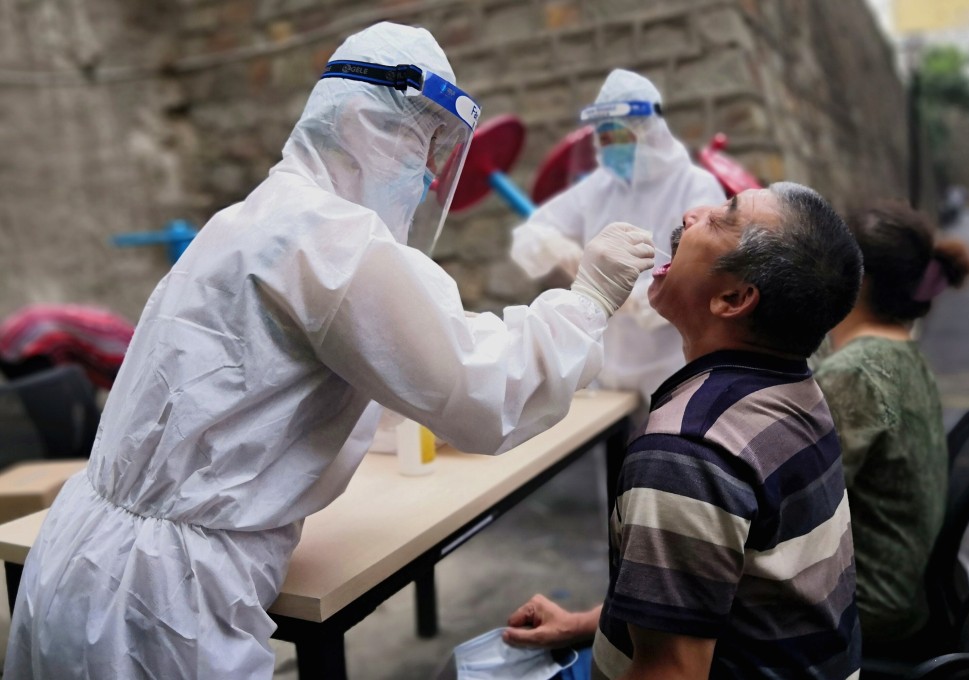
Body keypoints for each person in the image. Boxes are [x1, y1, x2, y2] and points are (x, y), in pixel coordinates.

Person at [4, 22, 656, 679]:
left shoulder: (250, 218)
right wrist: (588, 300)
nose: (427, 177)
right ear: (357, 123)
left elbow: (263, 383)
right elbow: (485, 392)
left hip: (80, 559)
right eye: (420, 143)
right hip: (167, 606)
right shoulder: (331, 236)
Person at [505, 184, 864, 679]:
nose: (693, 213)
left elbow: (672, 672)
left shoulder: (686, 453)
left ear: (733, 298)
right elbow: (718, 586)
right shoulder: (793, 390)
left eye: (720, 220)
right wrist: (590, 626)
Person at [812, 202, 969, 649]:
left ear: (857, 280)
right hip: (903, 589)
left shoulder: (854, 372)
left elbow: (802, 504)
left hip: (867, 602)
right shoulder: (898, 350)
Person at [510, 69, 726, 404]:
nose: (612, 147)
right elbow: (530, 234)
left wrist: (637, 299)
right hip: (608, 377)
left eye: (620, 136)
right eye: (605, 138)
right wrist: (554, 247)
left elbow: (703, 277)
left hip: (676, 371)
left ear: (648, 130)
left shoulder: (695, 185)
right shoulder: (600, 186)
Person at [0, 303, 134, 390]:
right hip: (30, 339)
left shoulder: (126, 341)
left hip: (23, 328)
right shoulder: (126, 360)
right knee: (47, 402)